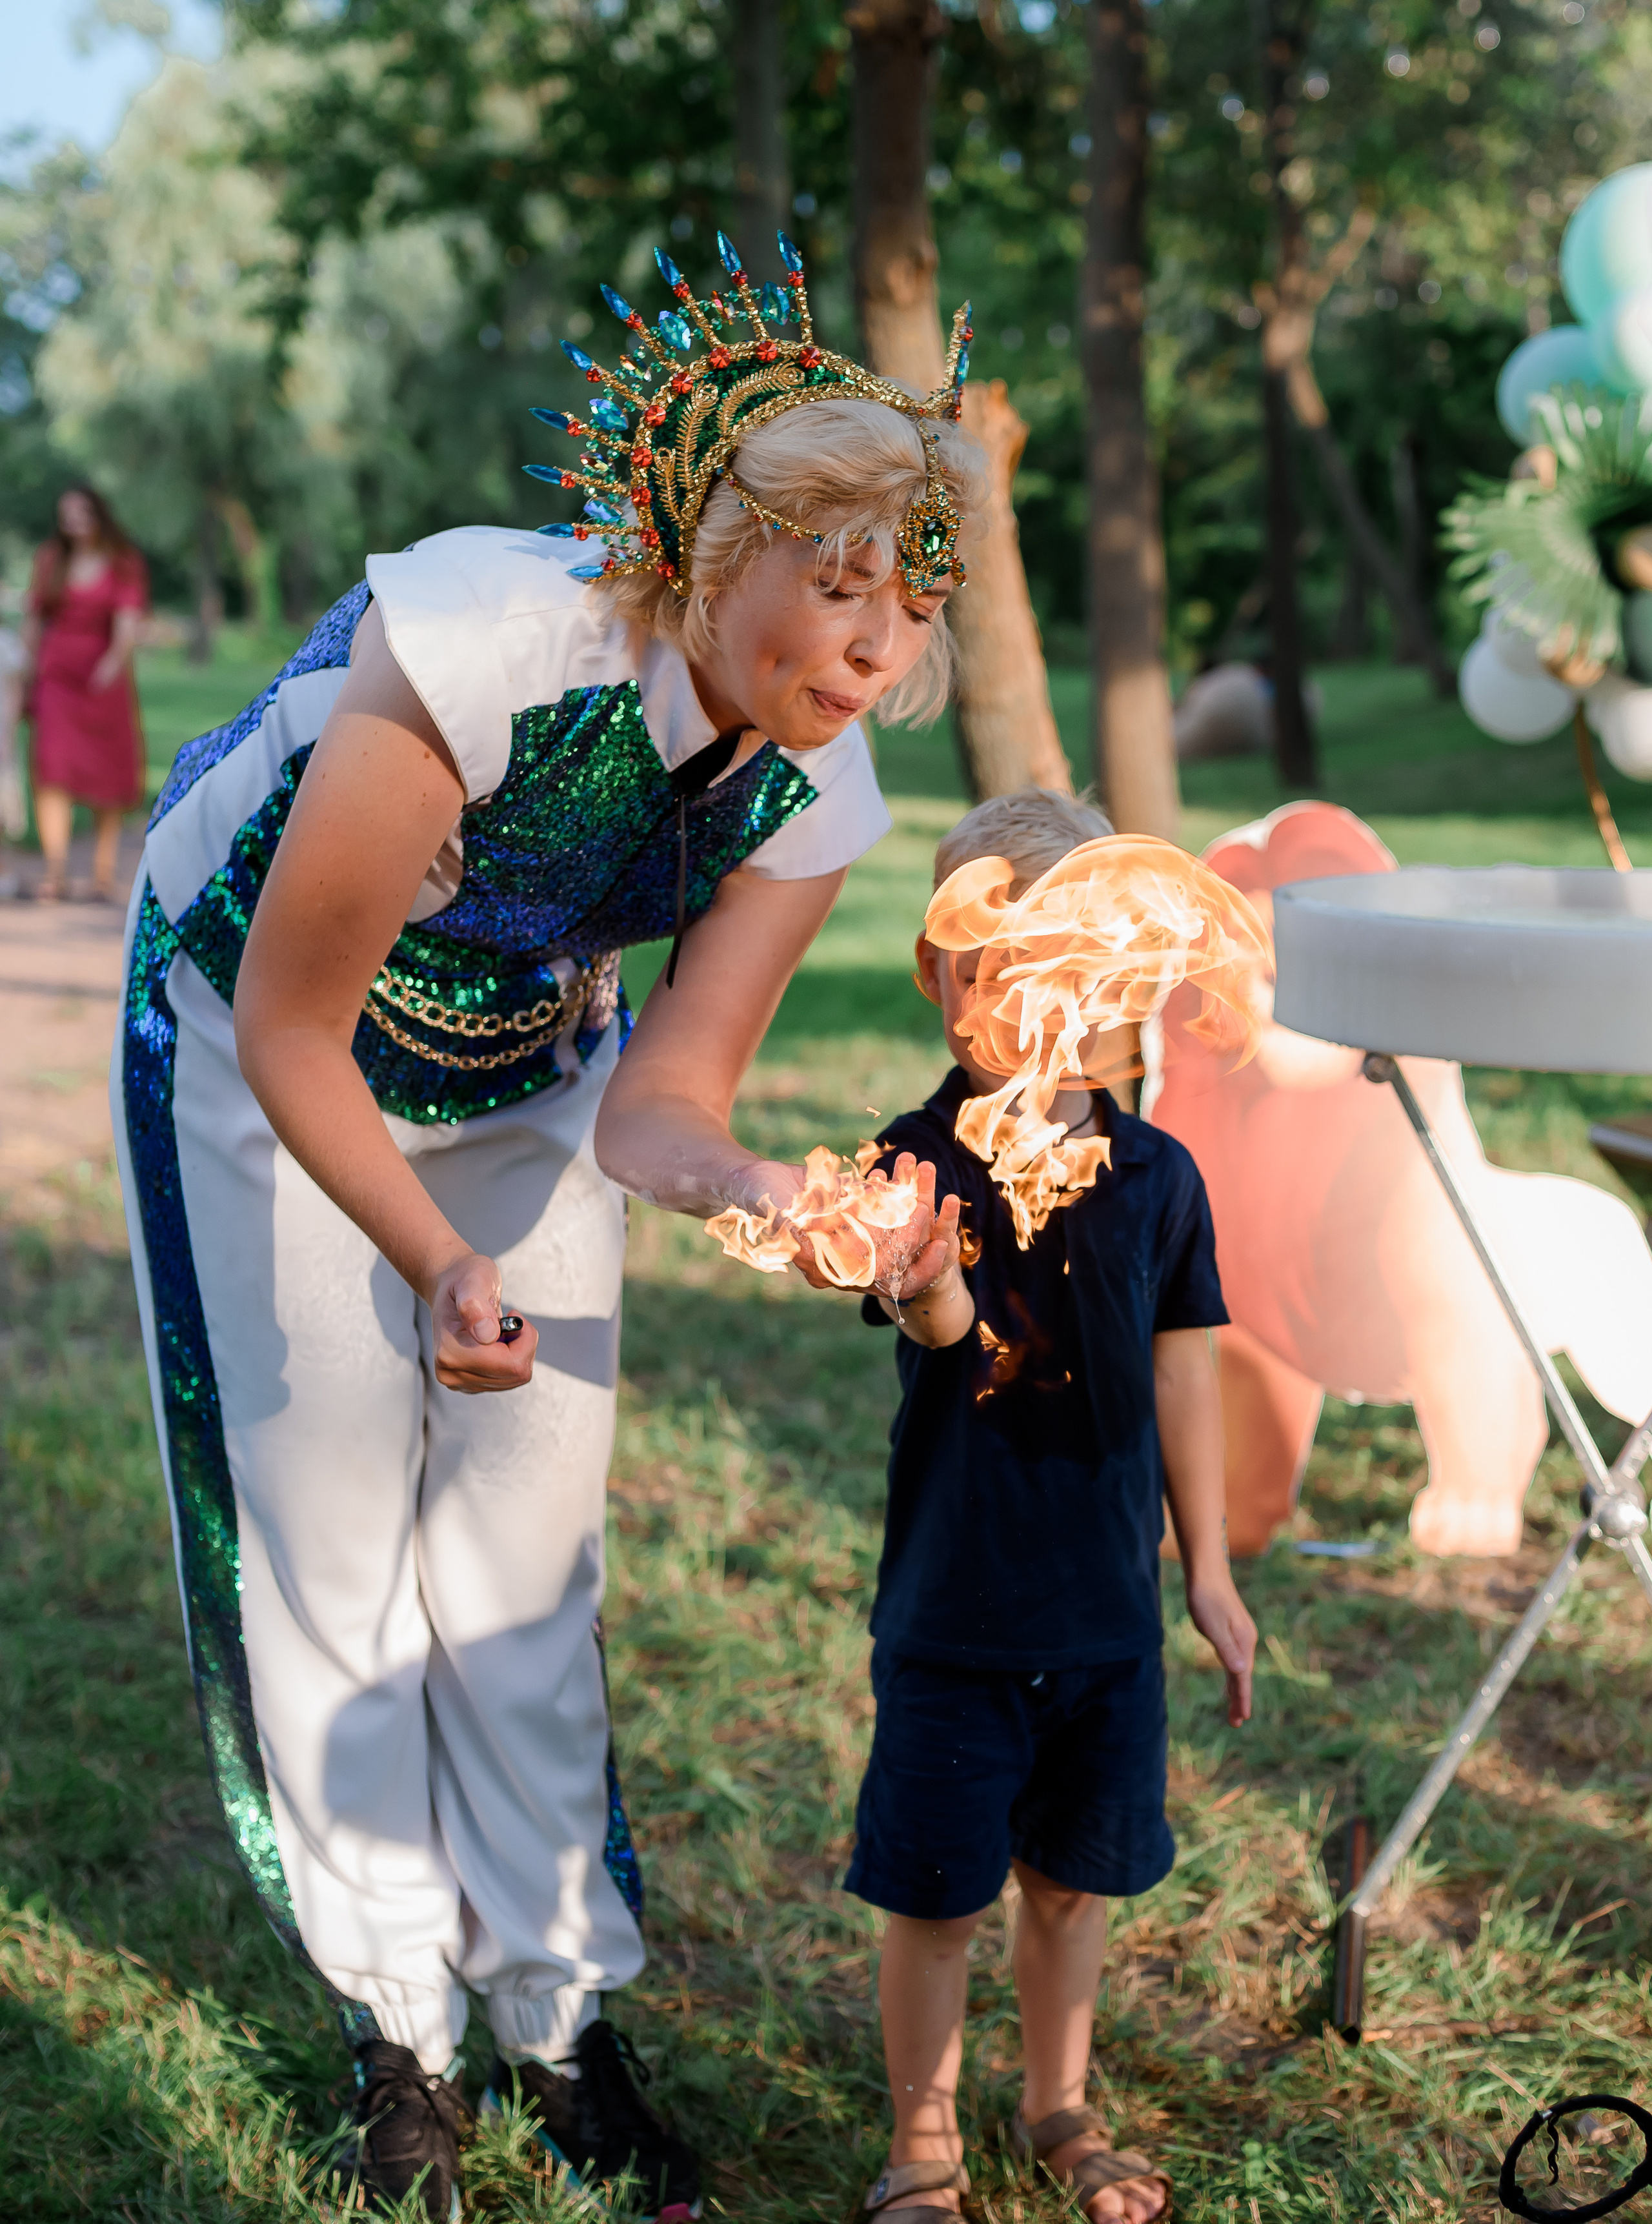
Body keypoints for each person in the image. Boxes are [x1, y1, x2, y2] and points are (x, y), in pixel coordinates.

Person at [112, 231, 980, 2222]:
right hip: (255, 1047)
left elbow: (671, 1098)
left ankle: (557, 2012)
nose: (863, 644)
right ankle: (398, 2030)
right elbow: (291, 1020)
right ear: (706, 536)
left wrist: (772, 1195)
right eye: (831, 579)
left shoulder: (809, 787)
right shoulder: (492, 633)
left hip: (528, 1059)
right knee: (332, 1539)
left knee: (519, 1547)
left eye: (902, 602)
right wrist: (429, 1265)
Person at [841, 789, 1260, 2224]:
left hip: (1103, 1615)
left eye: (1043, 962)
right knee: (938, 1898)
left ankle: (1056, 2105)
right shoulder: (916, 1159)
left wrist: (1204, 1565)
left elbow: (1185, 1370)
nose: (1000, 993)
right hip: (956, 1605)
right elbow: (948, 1337)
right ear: (936, 973)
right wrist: (935, 1287)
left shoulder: (1157, 1177)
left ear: (1112, 982)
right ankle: (920, 2137)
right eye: (975, 961)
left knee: (1071, 1887)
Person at [23, 485, 148, 901]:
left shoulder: (123, 562)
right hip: (56, 678)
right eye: (66, 514)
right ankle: (55, 873)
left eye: (82, 512)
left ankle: (101, 874)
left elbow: (127, 627)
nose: (73, 521)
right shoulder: (50, 559)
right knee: (52, 770)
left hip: (103, 683)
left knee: (107, 775)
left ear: (99, 515)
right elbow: (35, 618)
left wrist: (109, 668)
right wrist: (28, 669)